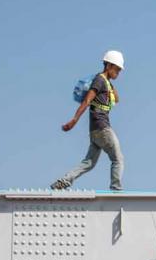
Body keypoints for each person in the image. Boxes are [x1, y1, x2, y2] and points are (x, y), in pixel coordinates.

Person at [52, 50, 125, 191]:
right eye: (117, 69)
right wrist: (74, 120)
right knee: (118, 159)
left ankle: (64, 180)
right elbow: (87, 101)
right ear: (109, 65)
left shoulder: (106, 82)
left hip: (95, 131)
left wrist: (111, 84)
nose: (118, 73)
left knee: (88, 163)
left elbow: (117, 99)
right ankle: (116, 189)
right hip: (103, 128)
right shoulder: (99, 80)